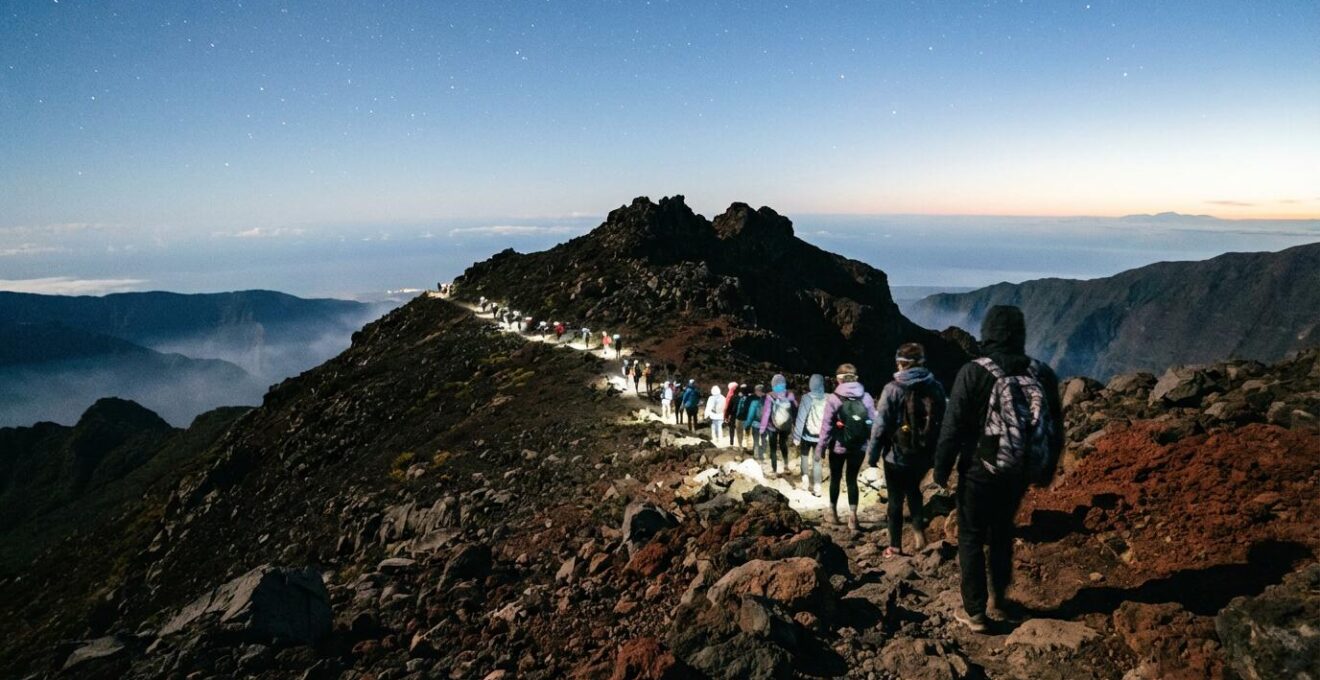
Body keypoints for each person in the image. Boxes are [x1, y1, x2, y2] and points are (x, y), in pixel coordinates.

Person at [934, 305, 1063, 633]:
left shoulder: (973, 372)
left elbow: (952, 426)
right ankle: (1000, 600)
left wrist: (941, 469)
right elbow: (1055, 429)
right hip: (1017, 471)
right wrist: (1045, 470)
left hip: (978, 470)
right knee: (1003, 530)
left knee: (971, 535)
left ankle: (975, 612)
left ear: (988, 332)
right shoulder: (1042, 373)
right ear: (1020, 333)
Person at [867, 343, 947, 559]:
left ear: (902, 364)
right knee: (914, 491)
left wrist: (872, 455)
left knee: (895, 500)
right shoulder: (935, 387)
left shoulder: (892, 389)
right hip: (923, 455)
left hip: (896, 455)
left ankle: (895, 546)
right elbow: (944, 421)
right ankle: (919, 531)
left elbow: (880, 425)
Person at [814, 363, 877, 534]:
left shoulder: (834, 398)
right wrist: (872, 447)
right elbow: (873, 423)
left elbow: (826, 426)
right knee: (852, 479)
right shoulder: (866, 397)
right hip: (859, 447)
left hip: (838, 446)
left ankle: (833, 514)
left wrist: (820, 448)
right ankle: (853, 517)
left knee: (835, 478)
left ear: (839, 379)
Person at [793, 374, 828, 495]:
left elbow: (801, 418)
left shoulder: (807, 397)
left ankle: (805, 482)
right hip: (821, 436)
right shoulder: (828, 398)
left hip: (806, 435)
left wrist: (797, 436)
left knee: (804, 456)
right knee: (817, 461)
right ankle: (817, 487)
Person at [759, 374, 798, 476]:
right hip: (785, 426)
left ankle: (774, 470)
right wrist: (796, 425)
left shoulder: (770, 396)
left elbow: (766, 413)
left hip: (772, 426)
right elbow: (795, 410)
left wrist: (762, 428)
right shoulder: (790, 395)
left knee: (773, 448)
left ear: (773, 384)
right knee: (783, 444)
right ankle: (786, 466)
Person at [744, 385, 766, 461]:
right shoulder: (768, 400)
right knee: (764, 439)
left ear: (756, 390)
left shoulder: (754, 401)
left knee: (756, 440)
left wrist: (747, 425)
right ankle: (763, 454)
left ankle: (756, 456)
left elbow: (750, 415)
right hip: (766, 425)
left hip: (756, 424)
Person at [734, 384, 754, 449]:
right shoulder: (751, 399)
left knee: (740, 433)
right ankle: (749, 447)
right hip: (747, 418)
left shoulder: (739, 398)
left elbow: (736, 408)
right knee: (748, 433)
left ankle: (740, 446)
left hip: (740, 418)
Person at [722, 381, 741, 447]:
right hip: (739, 415)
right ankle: (739, 442)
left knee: (732, 428)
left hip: (733, 414)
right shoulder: (741, 396)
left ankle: (731, 442)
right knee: (739, 429)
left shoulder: (730, 395)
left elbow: (727, 406)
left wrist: (726, 416)